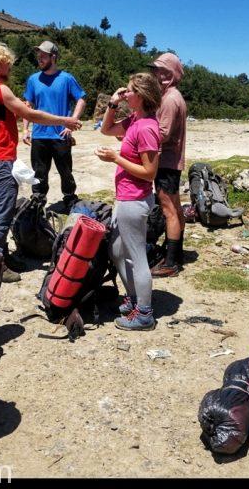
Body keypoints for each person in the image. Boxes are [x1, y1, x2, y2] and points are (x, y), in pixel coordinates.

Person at [0, 41, 82, 282]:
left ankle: (1, 256)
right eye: (7, 61)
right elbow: (30, 114)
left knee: (3, 208)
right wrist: (64, 120)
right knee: (2, 213)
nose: (11, 66)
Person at [96, 72, 162, 331]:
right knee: (116, 250)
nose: (126, 93)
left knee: (137, 256)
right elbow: (106, 129)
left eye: (130, 90)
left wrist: (115, 159)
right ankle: (134, 299)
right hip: (125, 197)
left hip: (134, 200)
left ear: (143, 96)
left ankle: (144, 313)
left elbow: (149, 173)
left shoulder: (146, 128)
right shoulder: (135, 119)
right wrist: (113, 104)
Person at [22, 40, 86, 210]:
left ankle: (69, 198)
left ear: (54, 57)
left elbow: (81, 99)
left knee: (66, 172)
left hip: (60, 135)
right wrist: (25, 129)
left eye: (43, 56)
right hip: (39, 135)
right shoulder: (33, 79)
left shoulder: (66, 78)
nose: (39, 59)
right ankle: (38, 199)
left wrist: (71, 123)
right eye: (38, 56)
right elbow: (27, 105)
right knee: (39, 173)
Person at [147, 53, 188, 278]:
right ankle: (176, 252)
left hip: (167, 162)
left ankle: (171, 262)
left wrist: (139, 134)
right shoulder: (170, 96)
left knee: (168, 210)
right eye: (156, 71)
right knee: (175, 207)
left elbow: (163, 133)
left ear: (173, 74)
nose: (158, 75)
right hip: (172, 162)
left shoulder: (171, 99)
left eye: (164, 71)